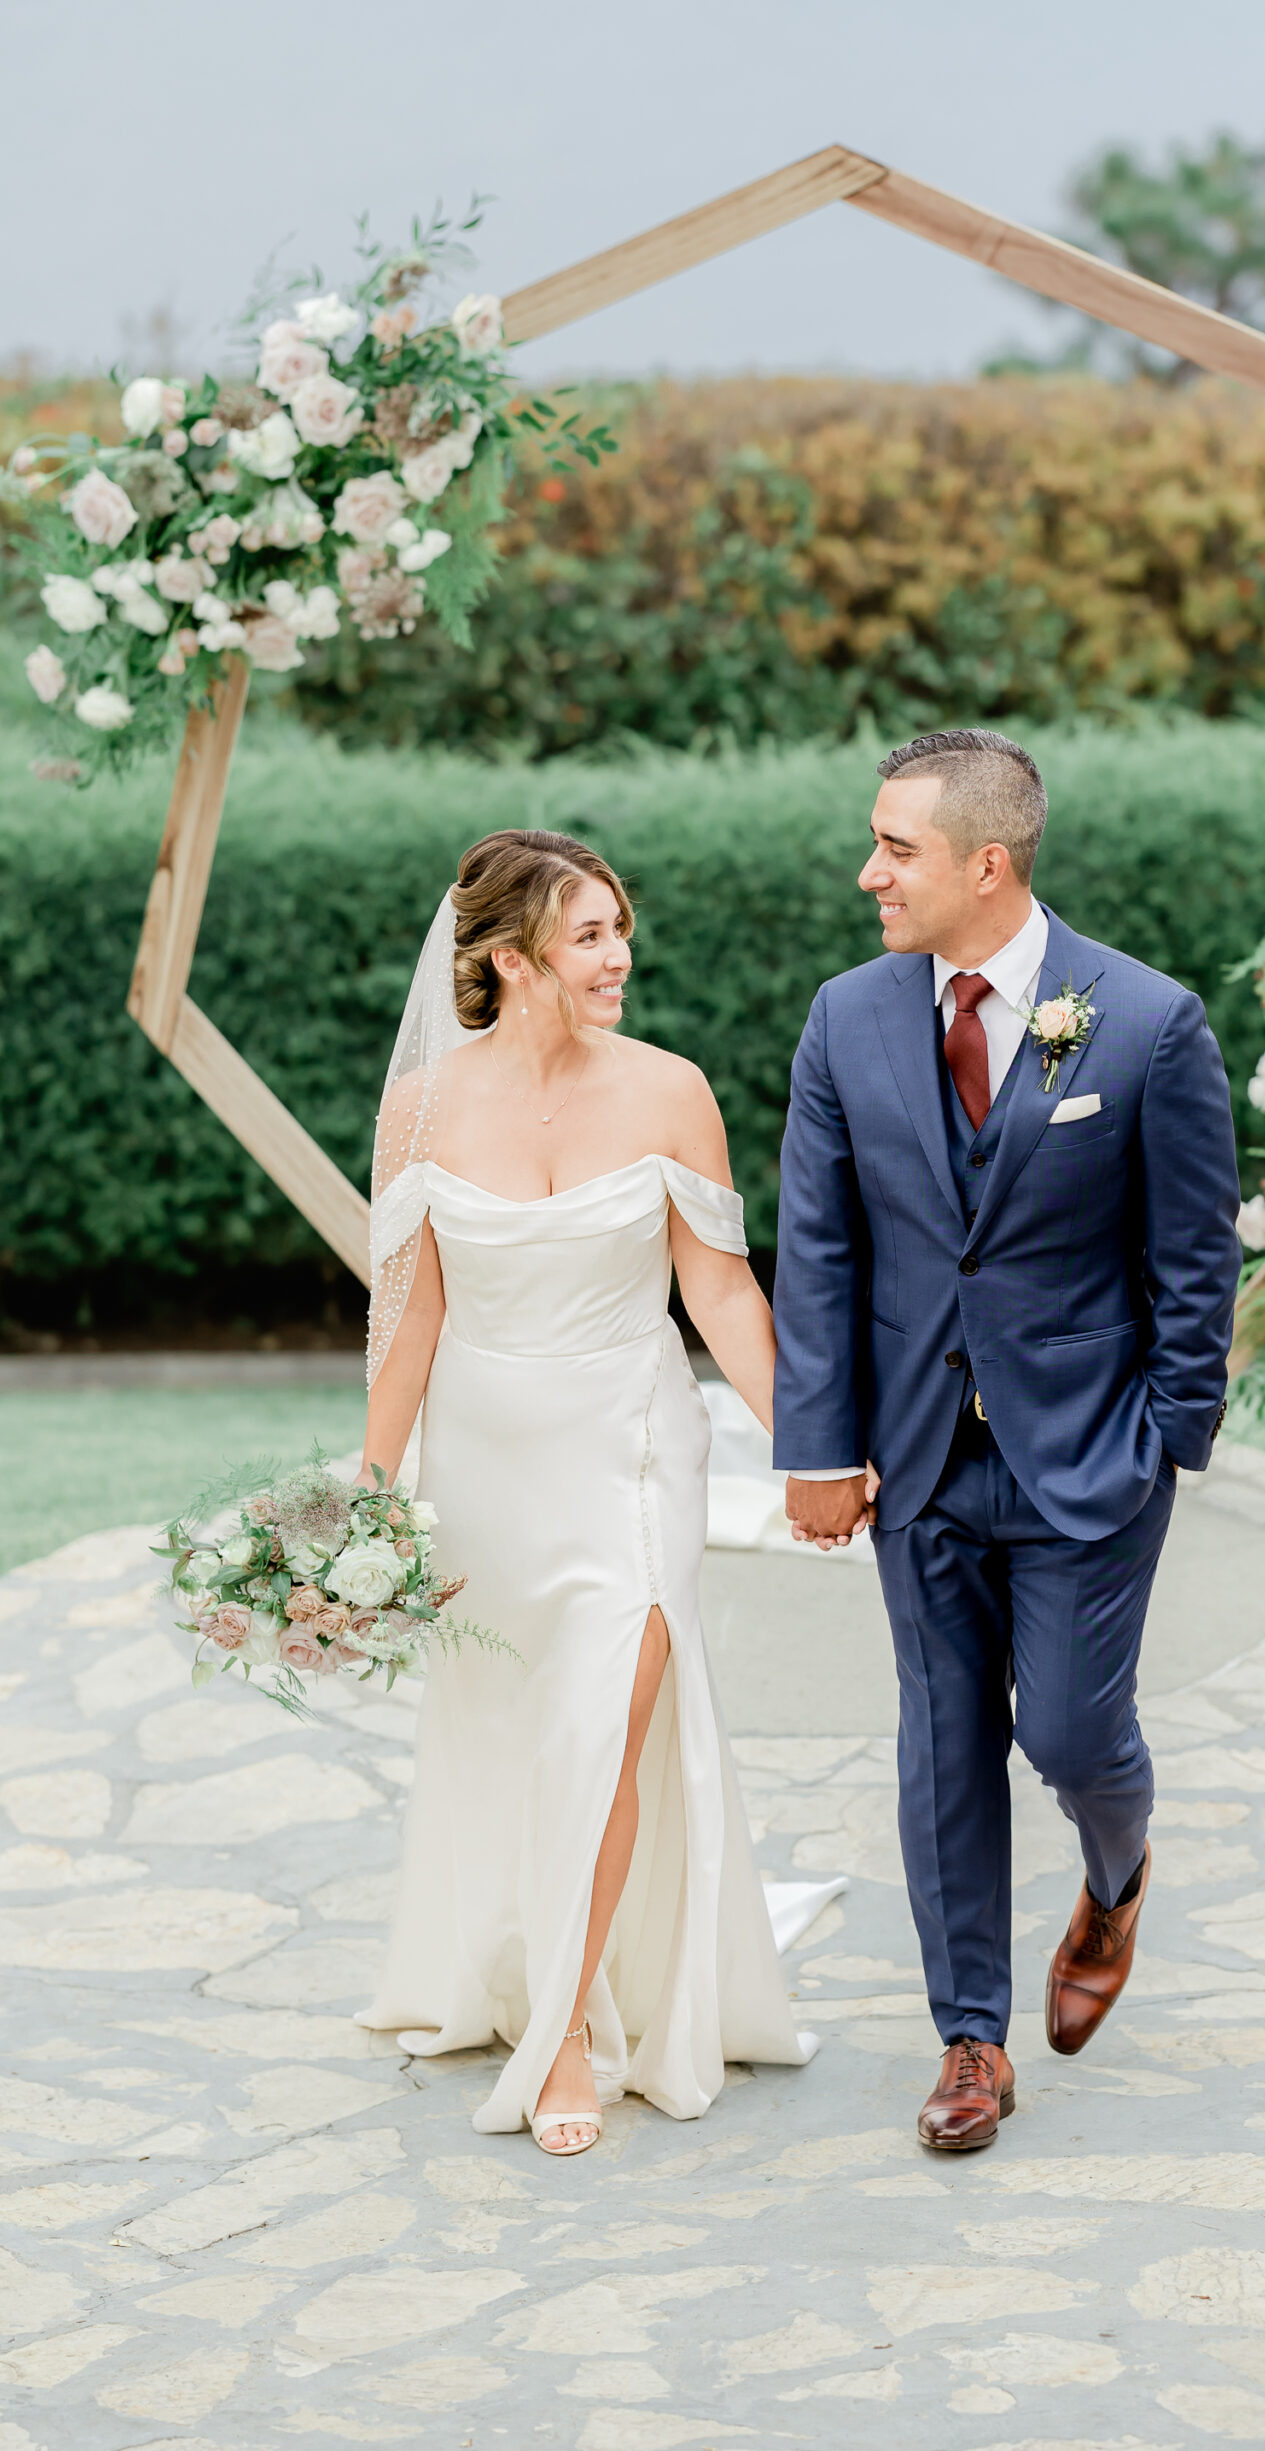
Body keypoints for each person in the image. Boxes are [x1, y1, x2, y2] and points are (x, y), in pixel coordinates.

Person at [773, 730, 1241, 2152]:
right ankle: (970, 2041)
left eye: (895, 849)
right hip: (917, 1457)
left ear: (988, 862)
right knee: (944, 1746)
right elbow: (820, 1247)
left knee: (1077, 1733)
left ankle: (1117, 1871)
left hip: (1091, 1450)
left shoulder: (1148, 1024)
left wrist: (1171, 1433)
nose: (869, 874)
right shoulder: (845, 1021)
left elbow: (1194, 1257)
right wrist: (819, 1445)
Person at [354, 829, 821, 2154]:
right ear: (508, 958)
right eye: (591, 938)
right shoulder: (424, 1112)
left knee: (612, 1717)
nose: (620, 958)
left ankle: (564, 2034)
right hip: (489, 1466)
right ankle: (546, 1970)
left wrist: (809, 1447)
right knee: (526, 1731)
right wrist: (368, 1504)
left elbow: (720, 1289)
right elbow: (412, 1318)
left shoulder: (671, 1091)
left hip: (632, 1446)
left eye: (622, 929)